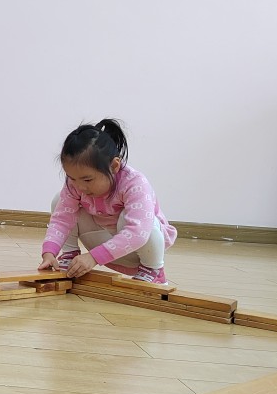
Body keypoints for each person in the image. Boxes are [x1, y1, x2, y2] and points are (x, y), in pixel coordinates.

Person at [38, 119, 177, 283]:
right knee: (59, 200)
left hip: (140, 248)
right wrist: (49, 253)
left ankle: (154, 270)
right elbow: (61, 219)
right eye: (72, 178)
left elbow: (138, 233)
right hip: (103, 241)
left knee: (136, 220)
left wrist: (93, 257)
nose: (79, 186)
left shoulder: (134, 183)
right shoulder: (75, 185)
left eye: (87, 180)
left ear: (114, 166)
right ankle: (69, 256)